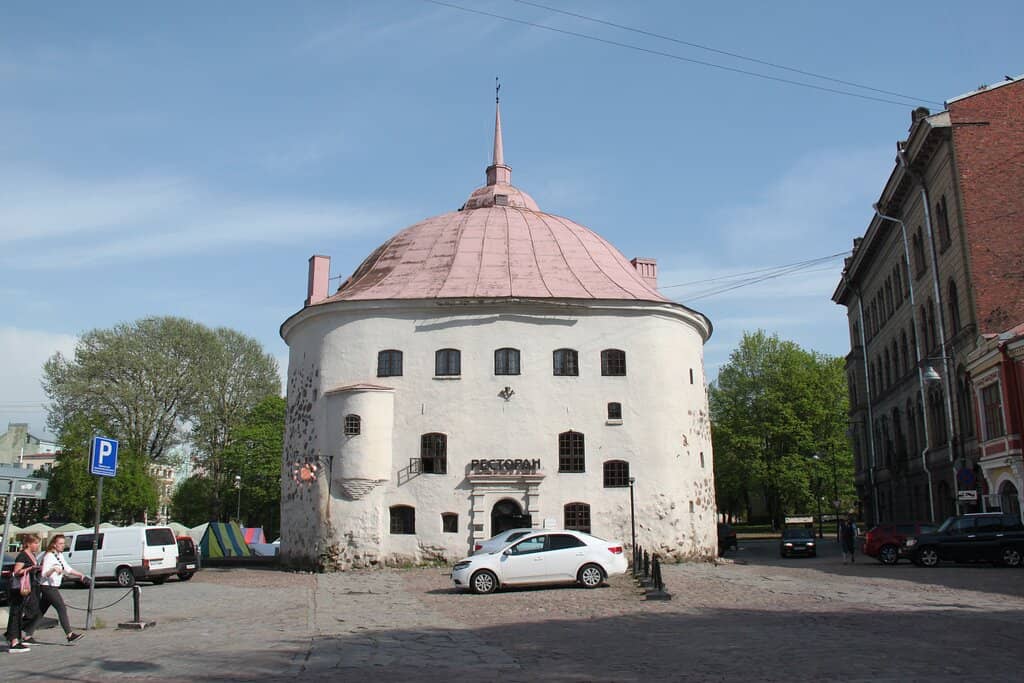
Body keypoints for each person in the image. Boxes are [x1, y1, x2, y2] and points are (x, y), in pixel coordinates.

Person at [23, 534, 85, 645]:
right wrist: (53, 570)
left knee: (40, 611)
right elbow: (44, 573)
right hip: (48, 587)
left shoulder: (59, 555)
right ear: (54, 544)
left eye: (63, 543)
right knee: (61, 608)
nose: (63, 545)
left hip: (53, 586)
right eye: (60, 543)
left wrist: (80, 575)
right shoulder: (49, 556)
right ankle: (69, 634)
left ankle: (27, 634)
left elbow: (67, 568)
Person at [4, 533, 42, 653]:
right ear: (29, 544)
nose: (37, 546)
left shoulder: (33, 555)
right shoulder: (22, 555)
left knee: (33, 610)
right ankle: (13, 640)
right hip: (19, 587)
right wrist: (30, 569)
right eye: (35, 543)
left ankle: (15, 634)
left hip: (30, 586)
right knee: (16, 612)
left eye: (37, 543)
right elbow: (17, 571)